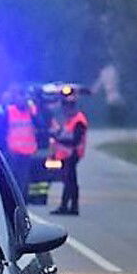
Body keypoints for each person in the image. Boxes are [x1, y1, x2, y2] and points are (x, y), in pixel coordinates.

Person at [50, 87, 88, 216]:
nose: (66, 109)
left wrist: (58, 139)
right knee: (68, 180)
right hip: (66, 154)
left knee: (71, 180)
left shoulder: (79, 121)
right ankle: (66, 206)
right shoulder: (69, 120)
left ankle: (73, 206)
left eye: (68, 106)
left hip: (73, 153)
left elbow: (75, 140)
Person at [5, 85, 38, 202]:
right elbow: (3, 129)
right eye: (20, 96)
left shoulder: (31, 112)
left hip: (27, 153)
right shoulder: (9, 111)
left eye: (24, 97)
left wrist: (33, 113)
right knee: (11, 179)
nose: (22, 99)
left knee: (23, 181)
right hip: (12, 152)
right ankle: (11, 201)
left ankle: (22, 202)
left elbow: (41, 125)